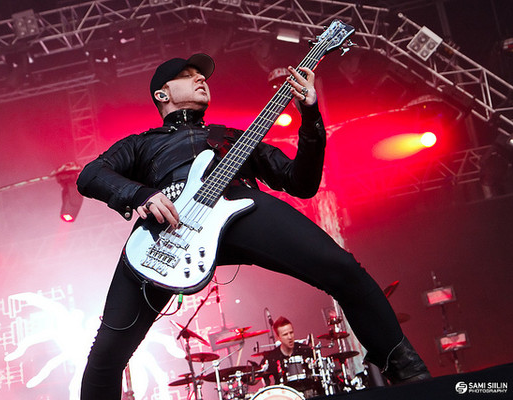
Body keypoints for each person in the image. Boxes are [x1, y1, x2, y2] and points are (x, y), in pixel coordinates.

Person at [76, 53, 430, 399]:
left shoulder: (233, 137)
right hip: (167, 231)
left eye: (202, 75)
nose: (201, 79)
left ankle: (410, 375)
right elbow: (91, 174)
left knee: (344, 268)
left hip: (237, 205)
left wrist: (309, 116)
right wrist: (140, 195)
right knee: (108, 348)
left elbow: (301, 182)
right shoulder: (142, 143)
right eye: (187, 75)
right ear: (161, 94)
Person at [260, 316, 320, 396]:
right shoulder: (272, 357)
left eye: (291, 333)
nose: (290, 337)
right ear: (278, 337)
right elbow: (260, 374)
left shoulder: (305, 350)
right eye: (285, 334)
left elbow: (318, 372)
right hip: (284, 396)